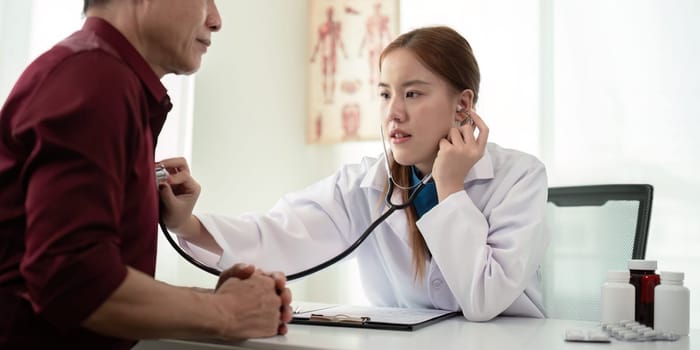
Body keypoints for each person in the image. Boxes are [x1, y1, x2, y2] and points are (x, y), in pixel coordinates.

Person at [160, 26, 549, 322]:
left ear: (463, 105)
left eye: (412, 94)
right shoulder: (364, 184)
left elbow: (484, 300)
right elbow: (277, 235)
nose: (393, 112)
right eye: (384, 94)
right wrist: (188, 225)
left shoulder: (519, 177)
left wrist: (449, 187)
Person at [0, 1, 291, 348]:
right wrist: (226, 311)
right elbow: (75, 280)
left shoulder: (107, 79)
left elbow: (85, 277)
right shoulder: (94, 77)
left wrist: (220, 299)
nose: (216, 21)